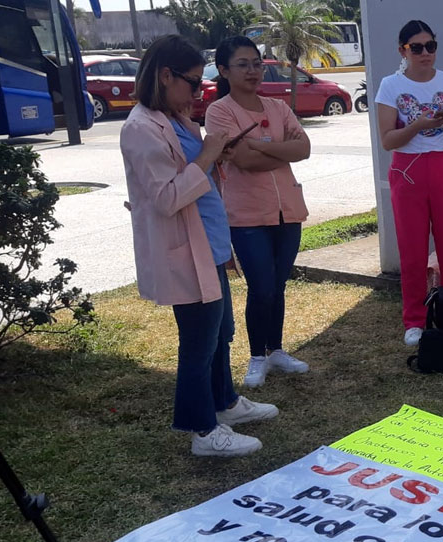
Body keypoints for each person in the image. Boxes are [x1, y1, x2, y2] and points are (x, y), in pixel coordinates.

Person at [121, 35, 277, 456]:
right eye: (193, 83)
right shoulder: (141, 128)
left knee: (220, 333)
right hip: (185, 252)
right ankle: (202, 430)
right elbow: (168, 197)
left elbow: (195, 175)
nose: (198, 92)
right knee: (198, 344)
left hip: (209, 245)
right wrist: (208, 154)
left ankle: (224, 403)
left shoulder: (174, 119)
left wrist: (215, 156)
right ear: (164, 76)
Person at [205, 36, 311, 388]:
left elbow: (303, 148)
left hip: (287, 210)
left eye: (256, 63)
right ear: (224, 70)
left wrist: (258, 144)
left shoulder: (277, 107)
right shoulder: (220, 112)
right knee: (261, 287)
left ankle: (276, 349)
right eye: (243, 65)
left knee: (278, 285)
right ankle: (256, 355)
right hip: (247, 215)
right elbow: (244, 161)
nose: (252, 71)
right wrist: (278, 149)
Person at [375, 20, 443, 346]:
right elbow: (387, 140)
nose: (425, 53)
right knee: (413, 253)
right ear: (402, 51)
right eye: (416, 47)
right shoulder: (391, 85)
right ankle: (414, 320)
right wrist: (417, 125)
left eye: (430, 46)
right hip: (408, 172)